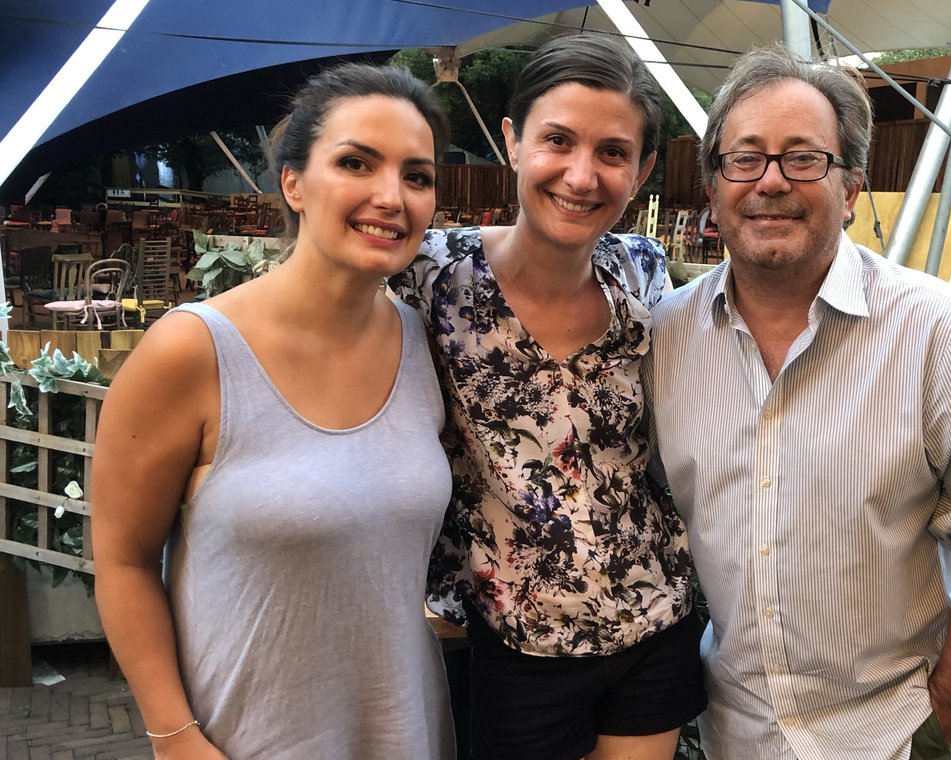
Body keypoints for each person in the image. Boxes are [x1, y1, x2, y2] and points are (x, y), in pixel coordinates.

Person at [645, 45, 951, 760]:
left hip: (887, 734)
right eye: (746, 158)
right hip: (731, 729)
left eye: (805, 158)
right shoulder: (665, 339)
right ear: (713, 186)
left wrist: (946, 706)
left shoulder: (942, 335)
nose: (771, 182)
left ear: (853, 187)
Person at [91, 63, 455, 759]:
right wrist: (174, 736)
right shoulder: (190, 351)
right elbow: (123, 561)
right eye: (356, 162)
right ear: (293, 181)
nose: (392, 197)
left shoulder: (423, 340)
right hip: (247, 741)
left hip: (404, 732)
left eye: (417, 175)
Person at [394, 33, 705, 760]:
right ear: (511, 139)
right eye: (557, 141)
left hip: (653, 622)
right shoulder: (433, 276)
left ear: (644, 169)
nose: (581, 175)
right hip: (513, 639)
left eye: (613, 153)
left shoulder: (643, 273)